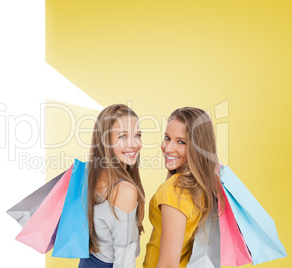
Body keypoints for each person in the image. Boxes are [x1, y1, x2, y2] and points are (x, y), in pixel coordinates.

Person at [143, 107, 224, 268]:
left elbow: (167, 265)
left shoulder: (174, 190)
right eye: (167, 138)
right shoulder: (205, 184)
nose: (168, 148)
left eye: (181, 142)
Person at [79, 104, 146, 268]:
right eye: (122, 136)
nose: (134, 144)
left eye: (137, 135)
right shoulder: (125, 191)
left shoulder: (87, 174)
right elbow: (124, 262)